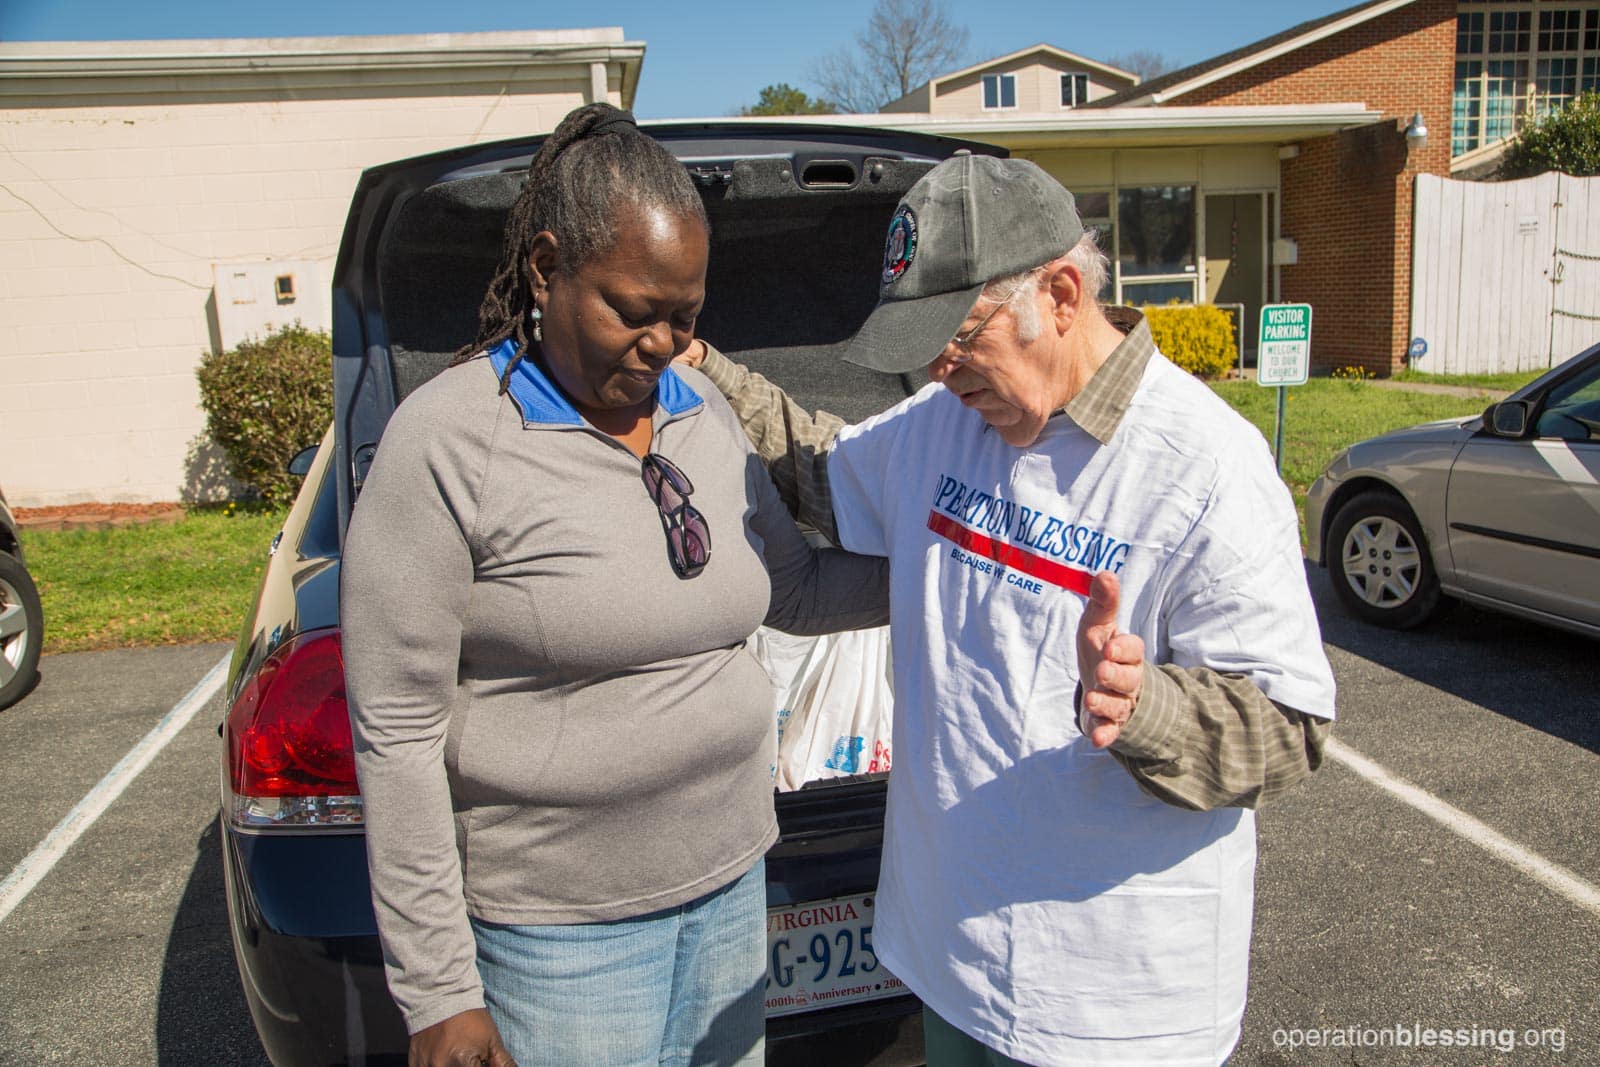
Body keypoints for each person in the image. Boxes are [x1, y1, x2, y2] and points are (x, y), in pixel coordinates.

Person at [679, 153, 1337, 1066]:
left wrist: (1142, 706)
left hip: (1115, 1010)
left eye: (960, 334)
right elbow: (820, 469)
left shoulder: (1206, 465)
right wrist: (701, 366)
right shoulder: (943, 424)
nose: (940, 368)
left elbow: (1290, 729)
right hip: (954, 962)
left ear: (1062, 294)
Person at [339, 103, 888, 1067]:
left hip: (727, 889)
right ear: (547, 271)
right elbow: (397, 731)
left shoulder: (703, 407)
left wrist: (959, 577)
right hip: (561, 936)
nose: (664, 343)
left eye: (686, 316)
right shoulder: (452, 442)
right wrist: (437, 992)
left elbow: (789, 590)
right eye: (633, 312)